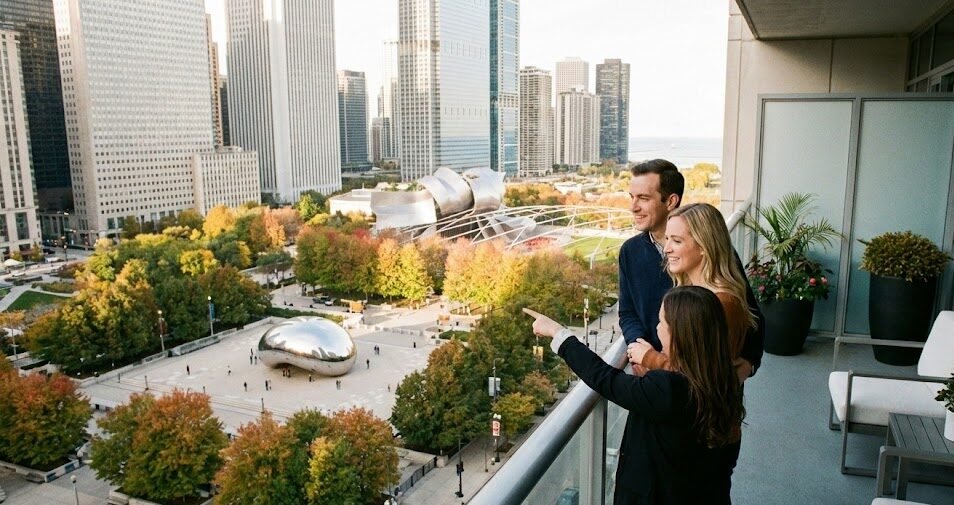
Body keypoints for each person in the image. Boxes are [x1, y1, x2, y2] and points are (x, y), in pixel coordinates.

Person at [525, 286, 744, 505]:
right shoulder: (724, 381)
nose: (657, 329)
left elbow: (605, 379)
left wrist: (558, 333)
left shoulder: (668, 390)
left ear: (679, 333)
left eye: (662, 323)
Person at [618, 159, 764, 379]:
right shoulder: (630, 252)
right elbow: (628, 313)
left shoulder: (716, 258)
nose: (633, 206)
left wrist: (750, 363)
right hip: (652, 376)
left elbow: (749, 315)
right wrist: (638, 351)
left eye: (643, 198)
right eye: (632, 197)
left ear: (671, 201)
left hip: (697, 382)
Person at [633, 203, 757, 382]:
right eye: (667, 238)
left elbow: (699, 378)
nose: (667, 248)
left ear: (703, 246)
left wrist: (650, 359)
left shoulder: (723, 304)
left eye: (677, 240)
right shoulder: (689, 290)